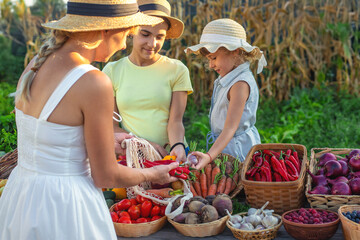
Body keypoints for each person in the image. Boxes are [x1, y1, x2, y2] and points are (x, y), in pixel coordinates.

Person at [0, 0, 179, 239]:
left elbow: (49, 135)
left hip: (21, 196)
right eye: (126, 34)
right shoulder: (93, 81)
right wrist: (152, 174)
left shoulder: (35, 64)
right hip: (65, 204)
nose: (125, 44)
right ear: (105, 30)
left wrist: (105, 141)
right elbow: (105, 176)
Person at [102, 0, 193, 163]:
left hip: (170, 154)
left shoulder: (177, 69)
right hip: (133, 157)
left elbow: (175, 121)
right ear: (131, 31)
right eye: (145, 34)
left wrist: (177, 145)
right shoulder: (112, 71)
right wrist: (144, 145)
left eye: (160, 37)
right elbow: (112, 126)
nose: (153, 44)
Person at [185, 18, 267, 170]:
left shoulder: (240, 84)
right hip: (224, 146)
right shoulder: (229, 77)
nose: (210, 65)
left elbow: (230, 128)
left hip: (237, 150)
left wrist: (209, 156)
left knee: (236, 183)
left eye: (214, 58)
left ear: (234, 51)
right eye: (209, 59)